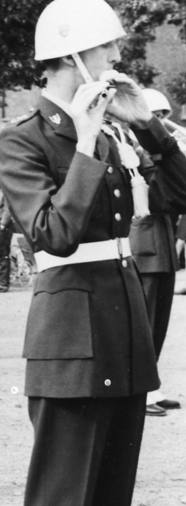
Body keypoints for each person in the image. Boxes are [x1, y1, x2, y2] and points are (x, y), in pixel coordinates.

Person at [0, 0, 183, 506]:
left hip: (121, 322)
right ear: (70, 58)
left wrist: (148, 127)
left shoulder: (113, 128)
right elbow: (54, 233)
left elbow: (181, 192)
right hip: (67, 333)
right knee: (63, 497)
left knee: (108, 495)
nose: (114, 63)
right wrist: (82, 141)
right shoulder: (23, 139)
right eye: (104, 52)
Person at [134, 89, 181, 416]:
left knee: (158, 323)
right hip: (145, 245)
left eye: (165, 116)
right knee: (145, 324)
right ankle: (141, 390)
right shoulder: (137, 151)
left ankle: (151, 385)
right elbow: (158, 194)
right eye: (158, 117)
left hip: (161, 243)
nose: (165, 123)